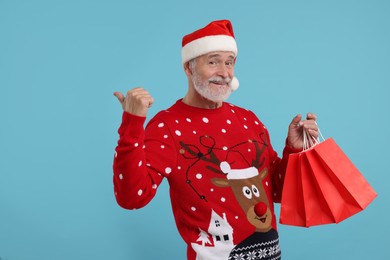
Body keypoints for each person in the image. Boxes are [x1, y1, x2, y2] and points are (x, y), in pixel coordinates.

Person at [113, 20, 318, 260]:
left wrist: (294, 150)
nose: (224, 72)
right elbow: (131, 197)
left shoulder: (248, 120)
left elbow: (278, 191)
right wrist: (132, 124)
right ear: (188, 67)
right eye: (213, 61)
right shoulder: (167, 126)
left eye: (229, 62)